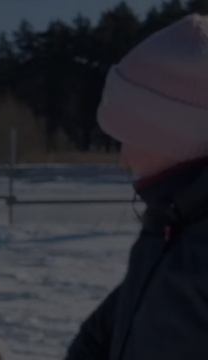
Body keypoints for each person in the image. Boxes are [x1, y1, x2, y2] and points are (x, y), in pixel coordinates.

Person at [66, 14, 208, 360]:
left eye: (131, 137)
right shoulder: (169, 223)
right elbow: (110, 328)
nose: (123, 159)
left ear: (176, 133)